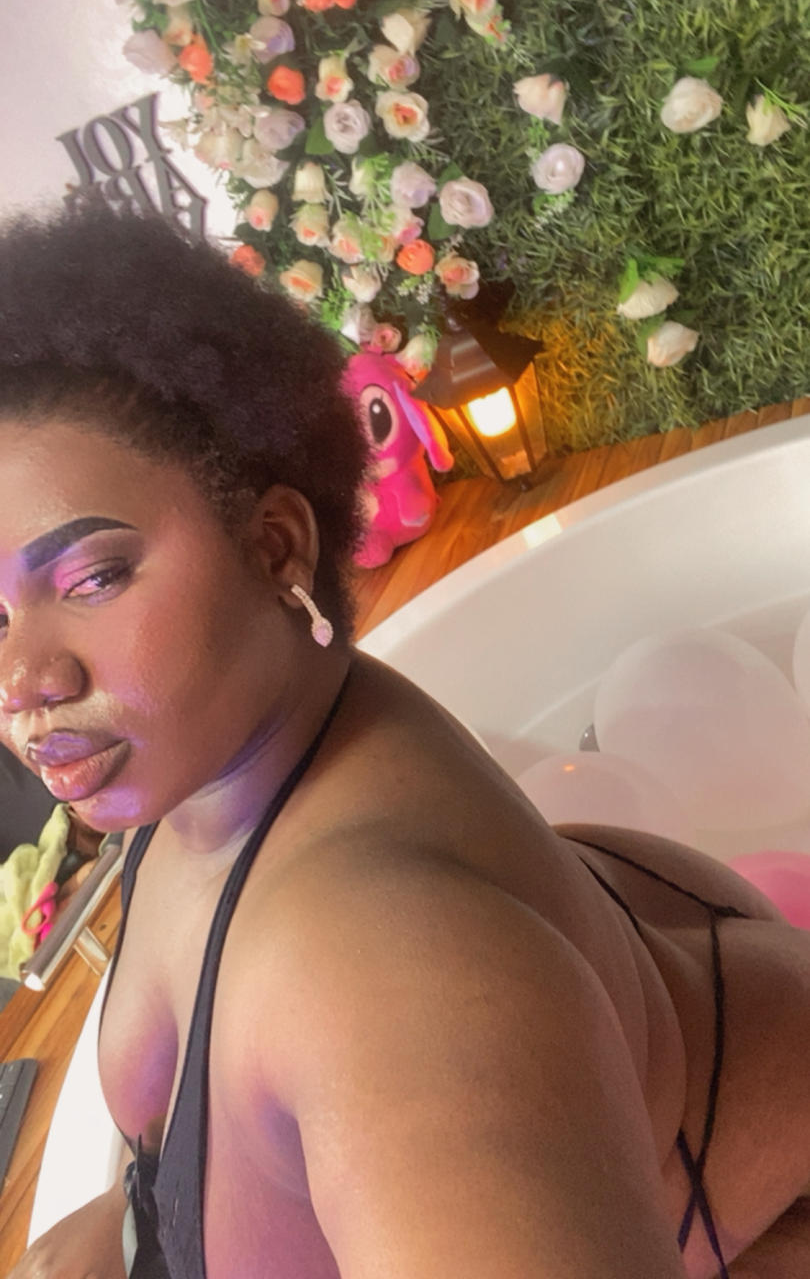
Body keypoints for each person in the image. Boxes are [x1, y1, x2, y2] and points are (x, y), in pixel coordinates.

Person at [3, 205, 809, 1279]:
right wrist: (127, 1226)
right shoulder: (203, 769)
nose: (24, 681)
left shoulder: (384, 977)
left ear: (275, 544)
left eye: (92, 578)